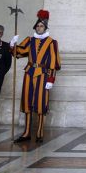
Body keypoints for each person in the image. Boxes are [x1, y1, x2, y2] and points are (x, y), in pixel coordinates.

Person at [10, 9, 60, 143]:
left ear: (45, 27)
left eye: (41, 26)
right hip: (29, 73)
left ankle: (39, 132)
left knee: (40, 103)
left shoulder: (51, 42)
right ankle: (26, 132)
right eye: (37, 26)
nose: (39, 28)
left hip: (43, 75)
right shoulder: (30, 40)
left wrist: (51, 79)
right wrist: (12, 45)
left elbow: (54, 63)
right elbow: (18, 53)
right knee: (27, 102)